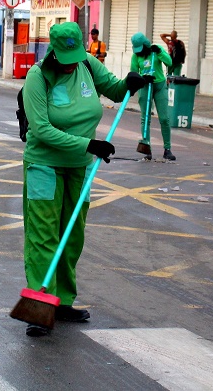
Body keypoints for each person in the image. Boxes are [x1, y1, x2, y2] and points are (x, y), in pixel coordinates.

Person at [21, 22, 147, 337]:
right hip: (45, 165)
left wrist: (131, 82)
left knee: (72, 235)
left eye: (75, 56)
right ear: (52, 50)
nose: (71, 64)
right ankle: (41, 304)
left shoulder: (87, 65)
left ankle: (62, 301)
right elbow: (41, 129)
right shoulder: (38, 77)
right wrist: (88, 144)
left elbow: (116, 90)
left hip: (80, 166)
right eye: (65, 58)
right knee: (44, 236)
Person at [131, 32, 175, 161]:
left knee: (164, 118)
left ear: (146, 45)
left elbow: (169, 62)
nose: (139, 51)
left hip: (159, 85)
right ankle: (146, 146)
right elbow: (133, 72)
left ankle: (167, 149)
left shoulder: (156, 50)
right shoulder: (135, 56)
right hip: (145, 86)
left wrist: (160, 52)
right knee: (145, 117)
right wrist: (142, 78)